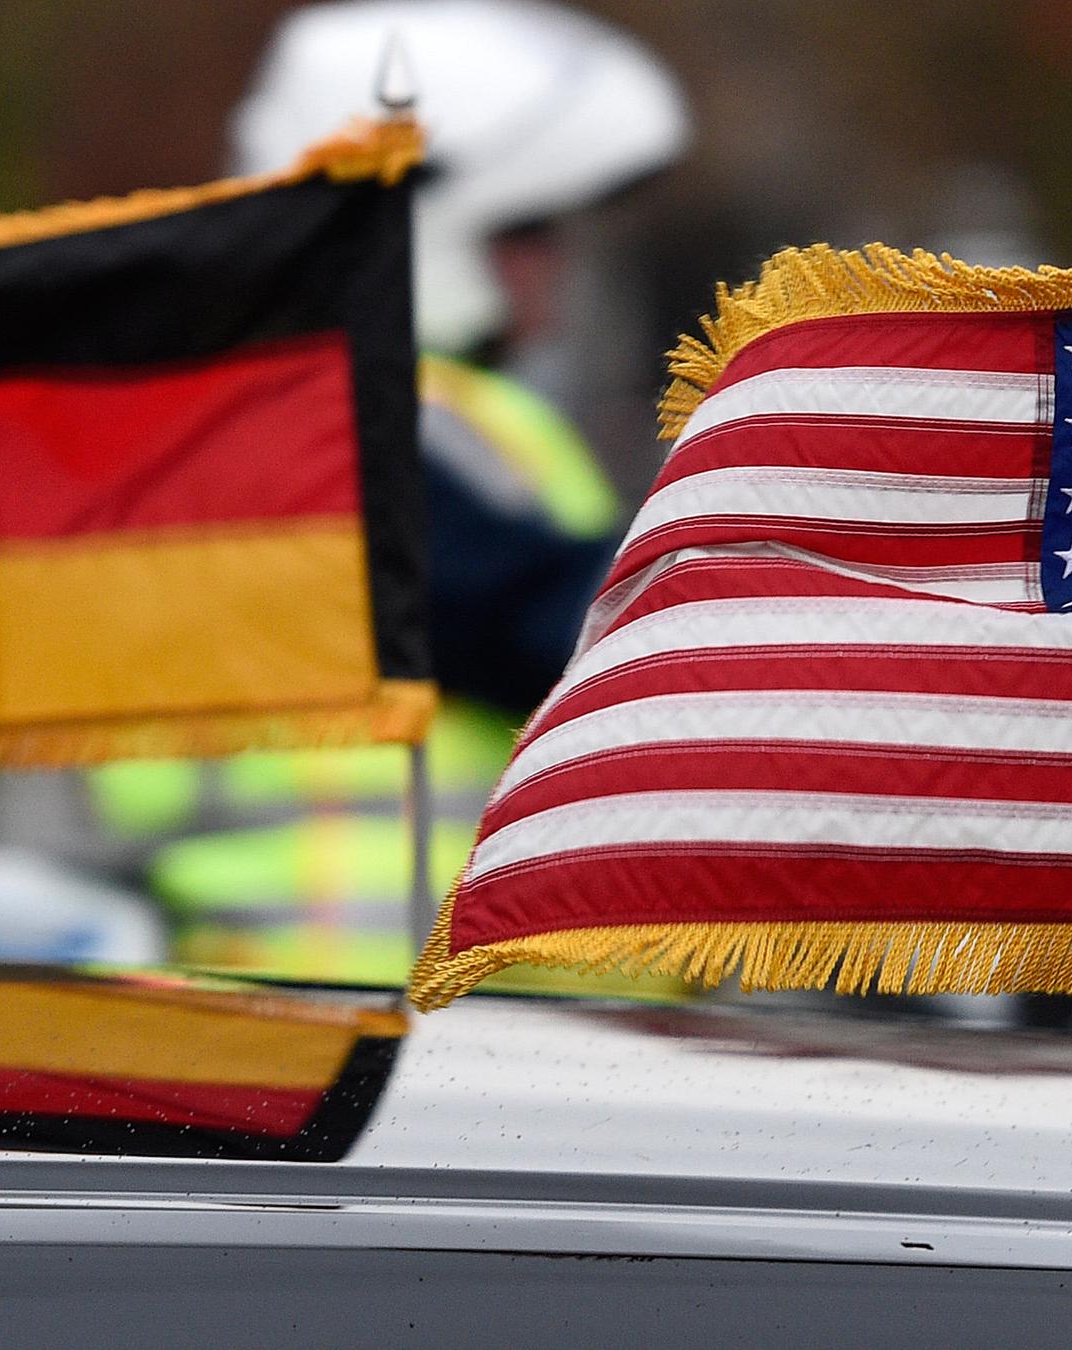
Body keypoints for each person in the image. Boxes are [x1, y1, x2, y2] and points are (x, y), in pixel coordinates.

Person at [90, 0, 690, 986]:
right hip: (427, 1014)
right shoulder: (378, 426)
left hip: (282, 990)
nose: (554, 267)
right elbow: (576, 631)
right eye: (529, 230)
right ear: (430, 214)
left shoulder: (240, 428)